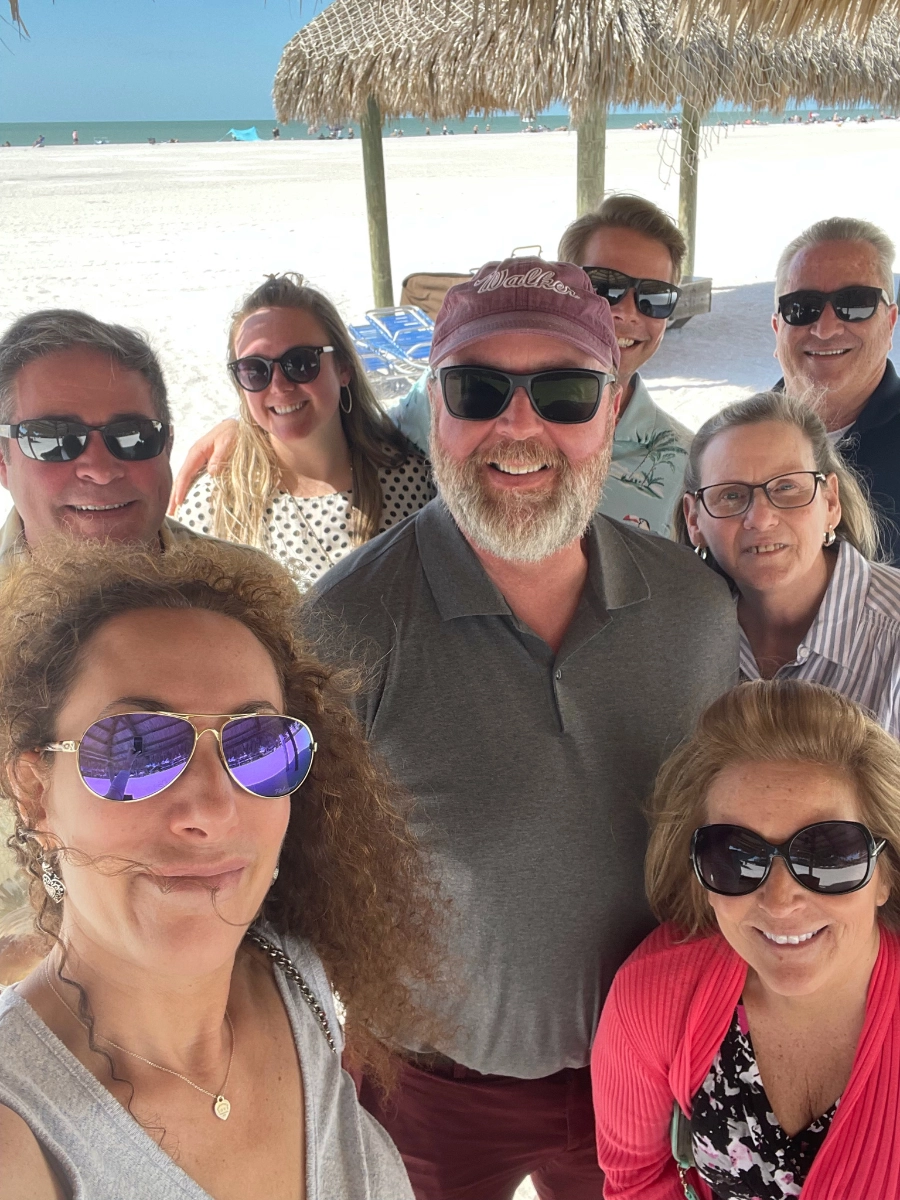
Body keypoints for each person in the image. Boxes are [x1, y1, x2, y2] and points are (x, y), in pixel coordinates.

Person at [308, 257, 738, 1198]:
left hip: (646, 1069)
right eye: (477, 389)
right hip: (430, 1089)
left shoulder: (697, 612)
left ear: (613, 411)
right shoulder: (341, 627)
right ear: (435, 407)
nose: (518, 425)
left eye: (565, 392)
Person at [0, 538, 440, 1199]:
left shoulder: (298, 978)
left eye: (259, 746)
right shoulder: (17, 1135)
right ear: (36, 794)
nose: (211, 809)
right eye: (136, 749)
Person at [171, 196, 690, 538]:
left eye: (655, 297)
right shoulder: (451, 393)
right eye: (604, 287)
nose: (625, 311)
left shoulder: (684, 459)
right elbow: (354, 431)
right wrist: (250, 424)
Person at [593, 679, 900, 1199]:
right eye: (736, 855)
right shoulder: (653, 996)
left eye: (828, 854)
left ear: (884, 874)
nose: (779, 902)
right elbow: (638, 1180)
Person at [0, 309, 217, 980]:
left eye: (132, 435)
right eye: (52, 440)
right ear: (3, 460)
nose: (98, 466)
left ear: (167, 447)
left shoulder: (254, 603)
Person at [175, 274, 433, 586]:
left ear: (343, 368)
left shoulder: (412, 480)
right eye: (255, 370)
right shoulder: (213, 504)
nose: (279, 385)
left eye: (300, 362)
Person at [675, 390, 900, 737]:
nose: (760, 519)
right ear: (694, 521)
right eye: (731, 495)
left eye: (786, 487)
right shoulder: (673, 636)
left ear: (831, 502)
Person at [772, 217, 900, 562]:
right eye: (802, 307)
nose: (826, 329)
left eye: (855, 304)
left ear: (890, 323)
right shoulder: (730, 446)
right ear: (777, 329)